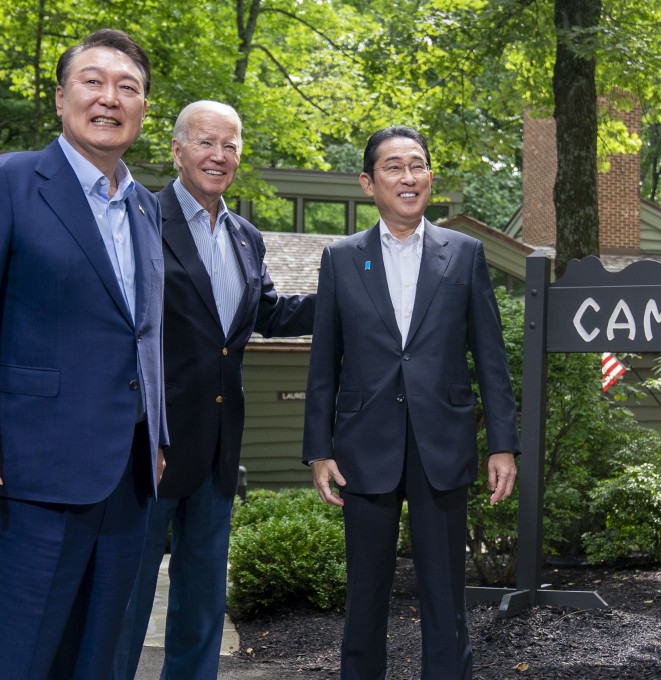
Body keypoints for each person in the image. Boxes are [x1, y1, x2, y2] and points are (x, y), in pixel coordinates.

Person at [0, 29, 167, 680]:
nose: (109, 97)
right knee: (18, 659)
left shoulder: (147, 210)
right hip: (28, 475)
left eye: (128, 87)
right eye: (93, 81)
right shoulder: (4, 182)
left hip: (124, 478)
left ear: (143, 110)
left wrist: (157, 430)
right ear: (61, 97)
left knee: (96, 661)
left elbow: (145, 332)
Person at [303, 125, 520, 680]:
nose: (408, 177)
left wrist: (503, 444)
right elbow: (325, 361)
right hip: (362, 449)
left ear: (430, 177)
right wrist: (318, 449)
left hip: (440, 447)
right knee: (366, 592)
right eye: (393, 167)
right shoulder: (342, 257)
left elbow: (490, 357)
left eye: (417, 165)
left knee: (445, 595)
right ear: (367, 182)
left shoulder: (465, 254)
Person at [112, 100, 315, 680]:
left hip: (218, 451)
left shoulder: (247, 236)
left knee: (201, 604)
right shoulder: (139, 218)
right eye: (205, 142)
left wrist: (350, 300)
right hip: (147, 448)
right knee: (124, 602)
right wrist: (136, 429)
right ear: (176, 151)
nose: (218, 156)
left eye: (230, 145)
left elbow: (266, 315)